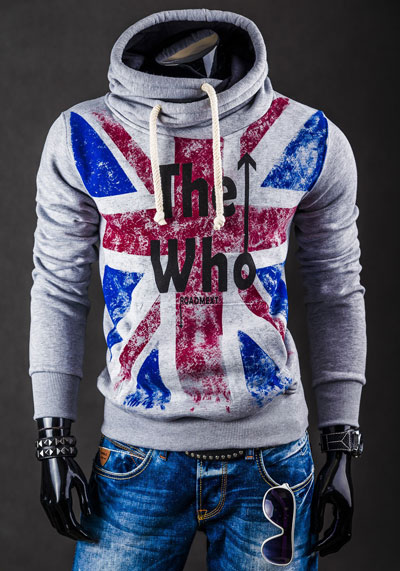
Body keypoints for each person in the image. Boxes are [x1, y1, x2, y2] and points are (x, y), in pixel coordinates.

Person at [30, 8, 366, 570]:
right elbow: (58, 287)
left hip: (273, 464)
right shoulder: (84, 136)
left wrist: (342, 437)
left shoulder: (308, 136)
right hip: (137, 457)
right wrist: (53, 440)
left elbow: (337, 289)